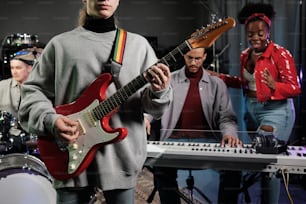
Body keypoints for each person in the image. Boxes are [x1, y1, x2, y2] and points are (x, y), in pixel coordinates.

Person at [18, 0, 172, 204]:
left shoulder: (139, 46)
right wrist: (50, 120)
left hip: (121, 158)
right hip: (70, 153)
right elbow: (32, 92)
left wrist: (159, 91)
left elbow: (154, 109)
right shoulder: (60, 45)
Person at [207, 3, 301, 203]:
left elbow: (295, 88)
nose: (255, 38)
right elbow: (245, 83)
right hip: (251, 111)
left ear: (268, 31)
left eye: (260, 33)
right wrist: (220, 77)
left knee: (268, 163)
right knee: (259, 160)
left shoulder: (280, 54)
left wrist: (275, 85)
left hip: (276, 111)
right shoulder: (245, 56)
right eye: (251, 34)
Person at [151, 47, 242, 204]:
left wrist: (229, 134)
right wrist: (146, 118)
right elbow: (155, 106)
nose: (193, 62)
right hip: (173, 140)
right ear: (184, 56)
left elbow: (227, 117)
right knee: (161, 169)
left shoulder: (217, 84)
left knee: (233, 168)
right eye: (189, 58)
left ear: (205, 57)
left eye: (198, 59)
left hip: (209, 140)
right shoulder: (169, 80)